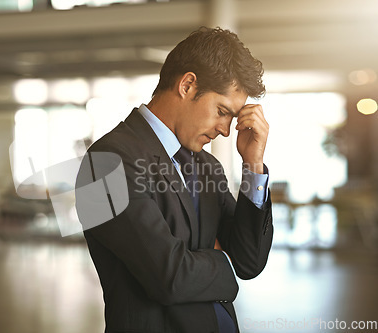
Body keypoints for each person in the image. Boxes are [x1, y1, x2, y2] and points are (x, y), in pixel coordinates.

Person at [76, 27, 273, 333]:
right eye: (222, 111)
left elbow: (248, 262)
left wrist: (253, 165)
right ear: (188, 85)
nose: (225, 129)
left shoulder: (208, 166)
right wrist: (223, 261)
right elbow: (170, 279)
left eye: (232, 118)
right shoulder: (103, 164)